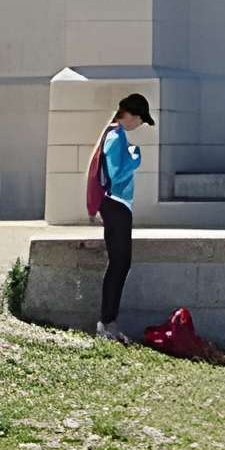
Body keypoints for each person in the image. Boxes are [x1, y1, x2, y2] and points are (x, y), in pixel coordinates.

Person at [92, 92, 153, 341]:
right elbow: (116, 173)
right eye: (140, 119)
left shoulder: (114, 134)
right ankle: (107, 323)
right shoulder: (117, 136)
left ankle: (108, 323)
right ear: (130, 114)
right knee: (120, 263)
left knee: (119, 263)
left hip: (115, 205)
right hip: (116, 204)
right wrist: (134, 157)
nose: (140, 124)